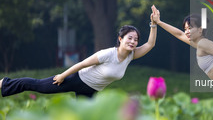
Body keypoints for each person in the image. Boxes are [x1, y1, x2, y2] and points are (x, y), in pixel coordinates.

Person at [0, 13, 157, 98]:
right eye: (129, 38)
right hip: (76, 80)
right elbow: (82, 64)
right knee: (38, 85)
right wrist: (62, 76)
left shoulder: (130, 56)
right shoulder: (108, 54)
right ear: (120, 39)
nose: (133, 42)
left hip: (91, 91)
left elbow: (150, 44)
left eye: (136, 40)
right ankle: (4, 83)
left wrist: (154, 24)